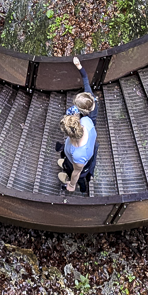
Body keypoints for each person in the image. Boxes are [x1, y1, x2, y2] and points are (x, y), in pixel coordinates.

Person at [56, 56, 99, 194]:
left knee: (78, 173)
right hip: (80, 154)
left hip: (80, 165)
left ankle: (81, 185)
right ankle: (68, 164)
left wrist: (72, 184)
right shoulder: (87, 121)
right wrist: (79, 66)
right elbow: (86, 80)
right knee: (74, 163)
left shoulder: (79, 153)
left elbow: (77, 170)